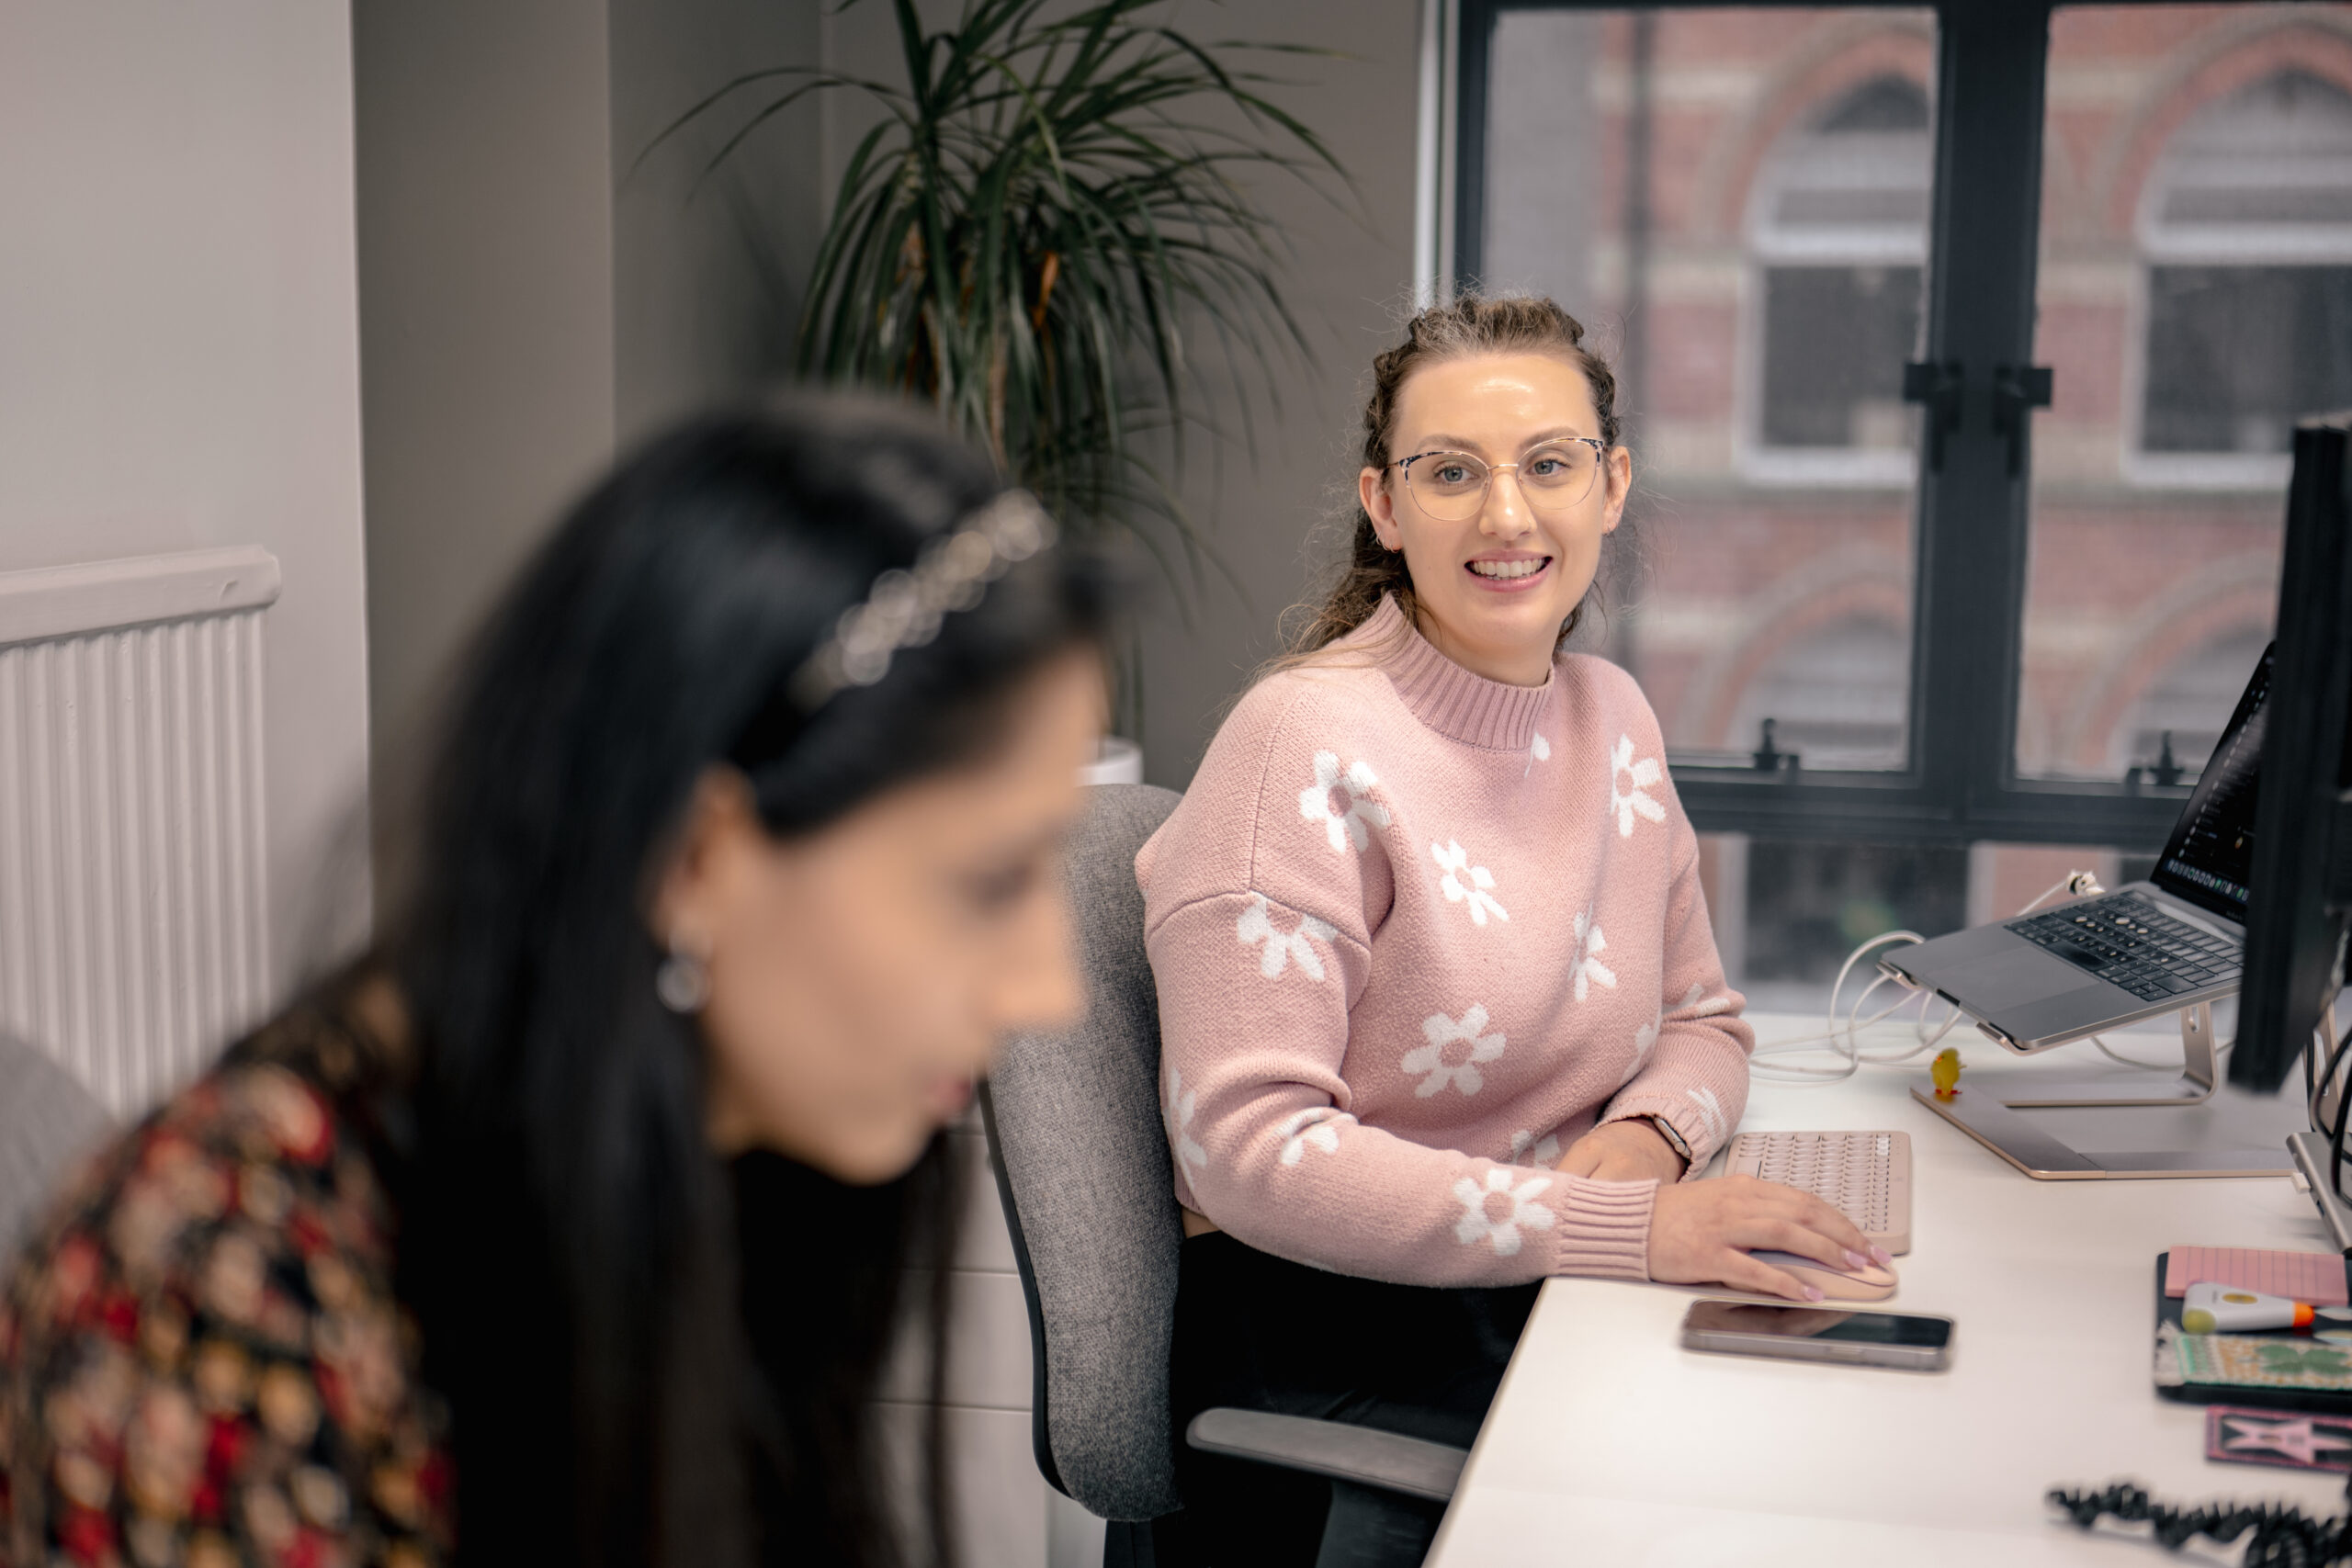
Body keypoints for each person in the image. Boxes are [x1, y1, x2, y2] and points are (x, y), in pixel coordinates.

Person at [0, 397, 1115, 1568]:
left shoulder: (744, 1150)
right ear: (695, 860)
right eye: (989, 883)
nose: (1050, 990)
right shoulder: (211, 1292)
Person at [1137, 295, 1882, 1563]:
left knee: (1847, 1415)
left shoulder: (1615, 719)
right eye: (1450, 473)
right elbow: (1250, 1154)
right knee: (1769, 1492)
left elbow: (1704, 1020)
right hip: (1335, 1323)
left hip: (1540, 1282)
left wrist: (1651, 1137)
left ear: (1612, 484)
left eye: (1549, 463)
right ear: (1384, 505)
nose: (1507, 514)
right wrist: (1626, 1228)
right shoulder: (1299, 747)